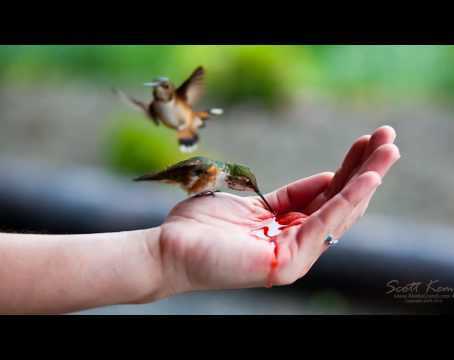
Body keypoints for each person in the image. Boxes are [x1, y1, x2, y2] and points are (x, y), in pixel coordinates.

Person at [0, 126, 400, 314]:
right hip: (191, 185)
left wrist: (162, 257)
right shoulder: (212, 173)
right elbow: (191, 173)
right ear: (235, 179)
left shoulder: (224, 178)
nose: (248, 190)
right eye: (246, 186)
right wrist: (163, 254)